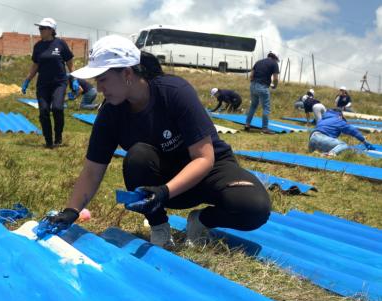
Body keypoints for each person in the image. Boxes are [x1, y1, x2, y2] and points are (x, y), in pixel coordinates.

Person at [43, 35, 271, 248]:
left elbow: (204, 158)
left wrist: (165, 192)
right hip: (162, 183)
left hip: (207, 172)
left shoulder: (174, 92)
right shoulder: (110, 113)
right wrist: (71, 210)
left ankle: (201, 220)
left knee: (254, 208)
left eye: (103, 79)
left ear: (127, 74)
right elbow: (93, 171)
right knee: (138, 156)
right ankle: (159, 226)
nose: (99, 88)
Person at [22, 17, 74, 148]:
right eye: (39, 28)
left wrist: (74, 79)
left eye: (43, 28)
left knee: (57, 108)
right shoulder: (38, 46)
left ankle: (58, 136)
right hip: (43, 84)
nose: (40, 30)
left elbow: (70, 64)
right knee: (44, 111)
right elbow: (35, 65)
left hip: (59, 83)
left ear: (51, 30)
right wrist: (27, 80)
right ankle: (48, 141)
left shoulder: (60, 44)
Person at [308, 109, 374, 157]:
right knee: (343, 145)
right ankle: (330, 154)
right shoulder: (338, 120)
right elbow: (354, 131)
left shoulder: (323, 119)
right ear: (340, 116)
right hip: (322, 138)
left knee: (326, 147)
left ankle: (315, 152)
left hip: (311, 140)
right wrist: (364, 141)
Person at [244, 51, 280, 134]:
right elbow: (275, 78)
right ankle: (264, 129)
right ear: (275, 58)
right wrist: (275, 85)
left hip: (253, 86)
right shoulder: (274, 63)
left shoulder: (258, 62)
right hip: (263, 87)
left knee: (253, 106)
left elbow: (251, 75)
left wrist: (255, 83)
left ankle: (247, 125)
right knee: (266, 108)